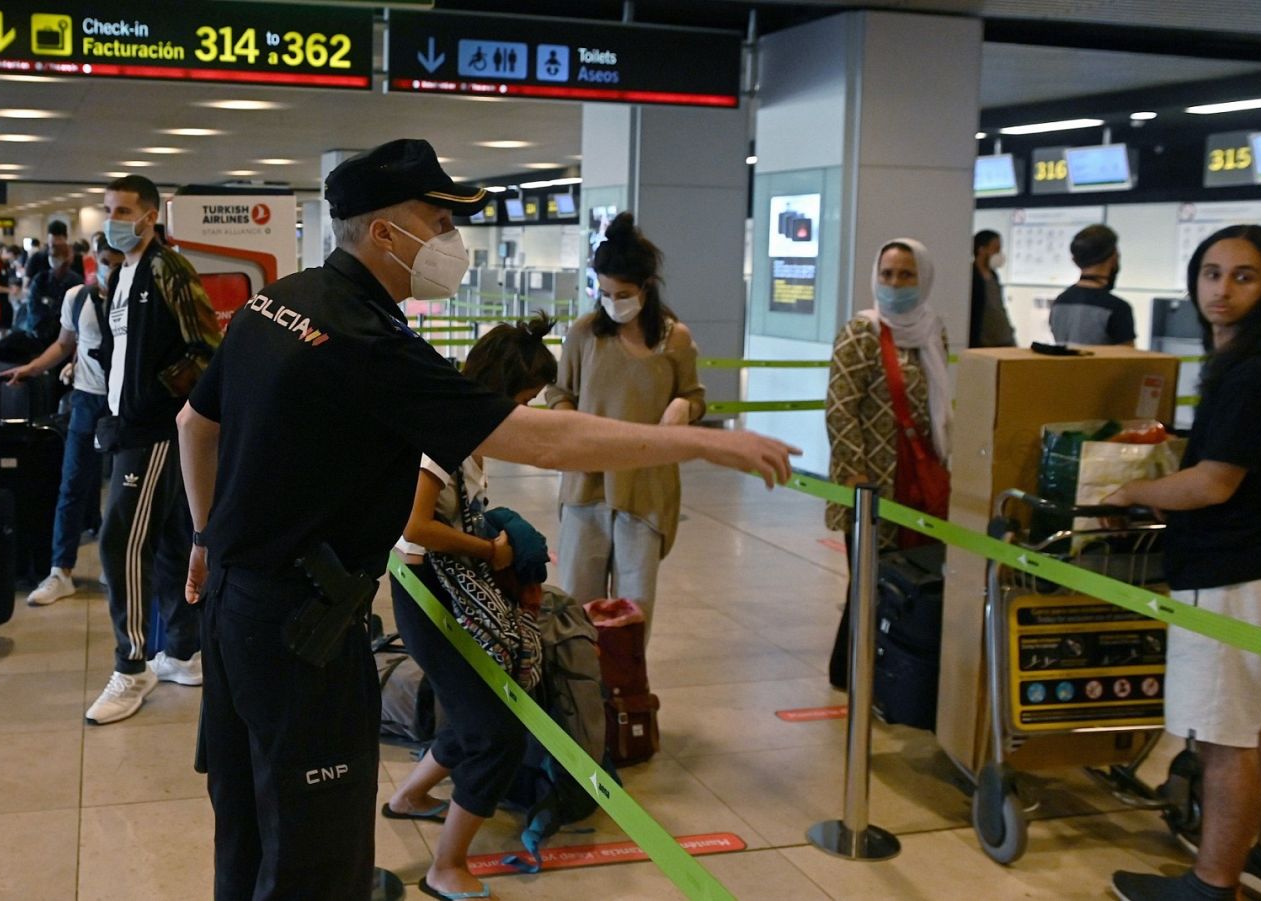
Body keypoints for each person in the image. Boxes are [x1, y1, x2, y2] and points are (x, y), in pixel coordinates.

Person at [176, 137, 798, 900]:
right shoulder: (369, 341)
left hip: (237, 613)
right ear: (382, 231)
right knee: (313, 855)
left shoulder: (280, 300)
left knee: (244, 828)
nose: (449, 241)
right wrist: (697, 442)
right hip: (302, 631)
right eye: (436, 219)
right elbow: (542, 437)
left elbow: (192, 425)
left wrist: (207, 538)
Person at [1105, 225, 1261, 901]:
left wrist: (1131, 490)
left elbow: (1213, 484)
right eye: (1211, 272)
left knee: (1224, 738)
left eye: (1243, 276)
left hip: (1228, 575)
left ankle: (1211, 884)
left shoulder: (1256, 371)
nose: (1222, 289)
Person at [384, 315, 559, 899]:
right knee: (496, 735)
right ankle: (445, 867)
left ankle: (409, 796)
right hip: (428, 596)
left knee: (476, 709)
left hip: (444, 590)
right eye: (526, 399)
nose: (527, 411)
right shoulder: (445, 434)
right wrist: (491, 549)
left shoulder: (469, 432)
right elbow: (414, 525)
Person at [85, 174, 221, 725]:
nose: (115, 219)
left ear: (150, 214)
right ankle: (184, 652)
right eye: (108, 209)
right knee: (165, 542)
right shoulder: (121, 273)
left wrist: (159, 391)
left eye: (123, 210)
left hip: (155, 431)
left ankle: (132, 663)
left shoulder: (169, 269)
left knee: (120, 542)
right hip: (127, 425)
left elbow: (207, 348)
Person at [543, 212, 703, 644]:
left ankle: (626, 690)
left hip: (645, 489)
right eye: (606, 292)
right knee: (577, 604)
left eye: (624, 293)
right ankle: (579, 694)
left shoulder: (675, 339)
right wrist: (565, 418)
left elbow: (695, 395)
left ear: (647, 287)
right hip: (586, 487)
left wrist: (683, 405)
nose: (614, 302)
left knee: (635, 610)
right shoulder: (584, 334)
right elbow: (559, 391)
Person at [823, 238, 951, 689]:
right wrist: (858, 481)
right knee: (869, 583)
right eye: (888, 274)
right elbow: (840, 409)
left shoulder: (932, 332)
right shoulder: (861, 332)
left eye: (906, 275)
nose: (895, 284)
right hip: (872, 484)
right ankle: (851, 674)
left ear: (925, 278)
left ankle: (883, 672)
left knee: (906, 582)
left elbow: (942, 405)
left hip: (919, 479)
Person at [3, 235, 121, 607]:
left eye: (118, 262)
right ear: (94, 261)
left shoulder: (139, 300)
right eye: (105, 260)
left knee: (123, 490)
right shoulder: (78, 298)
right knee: (72, 484)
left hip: (127, 402)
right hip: (87, 399)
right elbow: (64, 343)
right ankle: (60, 571)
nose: (111, 268)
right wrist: (33, 368)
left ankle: (116, 564)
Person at [1050, 224, 1135, 346]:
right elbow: (1129, 359)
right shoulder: (1117, 308)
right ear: (1114, 257)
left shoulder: (1060, 301)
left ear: (1076, 261)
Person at [21, 237, 84, 344]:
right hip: (40, 334)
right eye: (52, 255)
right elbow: (33, 308)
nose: (54, 258)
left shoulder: (75, 281)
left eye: (57, 255)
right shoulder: (41, 279)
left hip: (66, 336)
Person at [970, 229, 1016, 347]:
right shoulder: (971, 277)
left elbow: (999, 306)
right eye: (996, 249)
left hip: (1004, 340)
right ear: (981, 249)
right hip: (983, 343)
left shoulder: (994, 276)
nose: (999, 254)